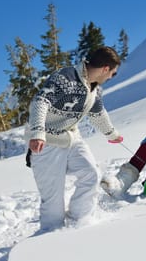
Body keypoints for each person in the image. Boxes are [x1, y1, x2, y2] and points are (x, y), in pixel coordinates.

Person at [26, 46, 123, 232]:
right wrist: (38, 133)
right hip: (47, 142)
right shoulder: (66, 77)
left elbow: (98, 114)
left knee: (91, 174)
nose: (111, 77)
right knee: (53, 201)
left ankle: (79, 224)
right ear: (105, 69)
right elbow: (40, 101)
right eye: (113, 73)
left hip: (71, 138)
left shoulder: (95, 89)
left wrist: (112, 134)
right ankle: (50, 236)